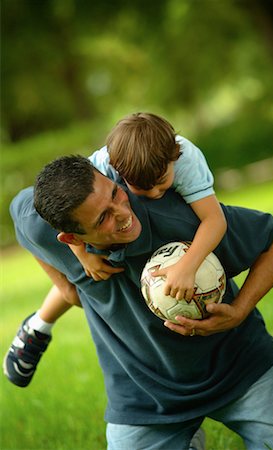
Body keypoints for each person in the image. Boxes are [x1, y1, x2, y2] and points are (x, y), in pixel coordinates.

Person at [4, 155, 273, 450]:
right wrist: (65, 284)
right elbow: (21, 213)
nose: (122, 213)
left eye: (115, 194)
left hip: (241, 368)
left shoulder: (176, 215)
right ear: (70, 238)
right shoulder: (45, 226)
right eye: (103, 218)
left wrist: (239, 310)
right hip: (144, 397)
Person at [7, 112, 227, 379]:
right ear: (117, 169)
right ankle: (37, 326)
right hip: (103, 237)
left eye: (160, 184)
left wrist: (187, 265)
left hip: (159, 242)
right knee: (75, 292)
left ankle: (38, 323)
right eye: (139, 187)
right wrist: (82, 256)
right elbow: (69, 207)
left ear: (174, 158)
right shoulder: (103, 163)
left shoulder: (186, 161)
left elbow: (214, 220)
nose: (152, 194)